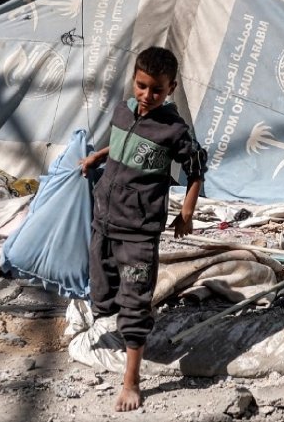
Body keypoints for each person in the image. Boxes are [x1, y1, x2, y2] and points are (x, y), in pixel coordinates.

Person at [80, 46, 207, 412]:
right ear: (133, 79)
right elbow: (123, 142)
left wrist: (187, 212)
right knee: (102, 294)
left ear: (171, 89)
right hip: (104, 219)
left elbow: (196, 167)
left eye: (156, 90)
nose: (146, 96)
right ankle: (120, 324)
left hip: (138, 229)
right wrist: (97, 156)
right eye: (141, 86)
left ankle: (131, 381)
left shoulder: (174, 130)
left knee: (134, 303)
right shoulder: (124, 110)